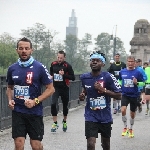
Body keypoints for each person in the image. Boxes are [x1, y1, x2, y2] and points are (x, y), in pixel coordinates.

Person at [6, 37, 55, 150]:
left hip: (34, 112)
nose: (24, 51)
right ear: (17, 50)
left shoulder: (39, 67)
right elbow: (9, 88)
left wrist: (35, 101)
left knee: (35, 146)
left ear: (31, 50)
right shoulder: (12, 68)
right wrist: (10, 100)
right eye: (21, 48)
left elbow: (51, 89)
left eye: (27, 48)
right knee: (19, 144)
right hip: (18, 111)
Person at [79, 51, 121, 150]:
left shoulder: (108, 77)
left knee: (105, 145)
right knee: (90, 144)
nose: (94, 62)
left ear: (103, 64)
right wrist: (83, 94)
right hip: (90, 115)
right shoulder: (84, 77)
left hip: (105, 116)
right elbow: (85, 89)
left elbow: (119, 95)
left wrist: (103, 90)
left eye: (97, 61)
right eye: (92, 60)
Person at [119, 56, 144, 138]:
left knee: (132, 113)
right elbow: (119, 80)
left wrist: (137, 83)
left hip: (134, 95)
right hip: (125, 94)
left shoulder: (138, 72)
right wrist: (119, 87)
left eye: (132, 61)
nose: (130, 63)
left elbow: (143, 83)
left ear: (134, 63)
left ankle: (131, 128)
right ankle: (125, 127)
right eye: (129, 61)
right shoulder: (122, 71)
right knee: (123, 110)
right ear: (127, 62)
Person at [50, 50, 75, 132]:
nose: (59, 59)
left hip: (64, 87)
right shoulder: (53, 64)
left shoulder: (67, 65)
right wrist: (51, 77)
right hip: (55, 88)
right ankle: (55, 123)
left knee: (65, 105)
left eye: (61, 58)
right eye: (58, 57)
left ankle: (64, 121)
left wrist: (63, 75)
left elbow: (73, 77)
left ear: (64, 57)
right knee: (53, 104)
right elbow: (51, 73)